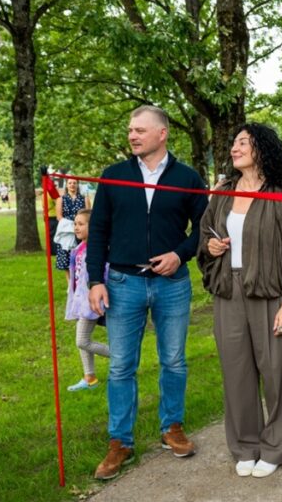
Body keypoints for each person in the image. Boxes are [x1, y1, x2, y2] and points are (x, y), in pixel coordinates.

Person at [87, 105, 208, 480]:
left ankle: (172, 427)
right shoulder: (114, 177)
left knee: (174, 360)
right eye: (129, 131)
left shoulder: (187, 178)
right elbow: (97, 232)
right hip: (123, 284)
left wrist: (179, 254)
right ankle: (120, 441)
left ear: (162, 134)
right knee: (122, 365)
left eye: (140, 130)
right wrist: (95, 280)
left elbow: (204, 229)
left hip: (172, 284)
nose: (132, 136)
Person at [197, 123, 282, 479]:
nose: (235, 148)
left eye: (243, 143)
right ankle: (245, 445)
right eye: (233, 142)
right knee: (236, 371)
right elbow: (205, 235)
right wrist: (211, 246)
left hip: (270, 292)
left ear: (261, 150)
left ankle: (277, 446)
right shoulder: (221, 194)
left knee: (276, 370)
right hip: (228, 290)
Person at [65, 209, 111, 390]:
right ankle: (89, 377)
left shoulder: (96, 249)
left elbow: (102, 275)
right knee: (82, 338)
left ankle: (121, 357)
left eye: (81, 224)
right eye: (75, 224)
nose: (76, 227)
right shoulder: (78, 248)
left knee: (82, 340)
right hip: (79, 300)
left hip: (90, 301)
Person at [56, 178, 89, 281]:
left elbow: (88, 215)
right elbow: (59, 216)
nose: (72, 185)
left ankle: (81, 280)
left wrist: (79, 225)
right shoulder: (61, 199)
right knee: (67, 259)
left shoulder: (84, 198)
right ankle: (69, 284)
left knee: (81, 255)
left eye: (74, 183)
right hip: (67, 231)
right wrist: (71, 226)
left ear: (77, 185)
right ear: (66, 185)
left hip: (81, 231)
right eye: (70, 183)